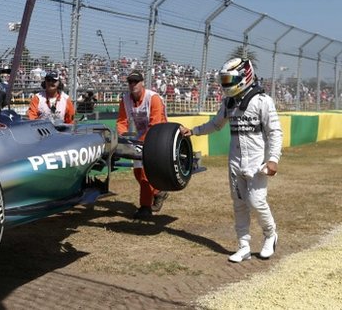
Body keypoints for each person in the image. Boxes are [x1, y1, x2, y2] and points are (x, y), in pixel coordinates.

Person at [179, 58, 282, 263]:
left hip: (257, 162)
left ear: (244, 77)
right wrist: (193, 131)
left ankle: (270, 234)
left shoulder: (263, 101)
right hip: (235, 160)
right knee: (239, 204)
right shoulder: (229, 102)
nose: (226, 84)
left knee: (256, 201)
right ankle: (243, 246)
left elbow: (275, 132)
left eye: (229, 79)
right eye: (224, 80)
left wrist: (273, 159)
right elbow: (216, 124)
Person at [116, 69, 168, 220]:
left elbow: (155, 124)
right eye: (130, 82)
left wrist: (139, 142)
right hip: (140, 137)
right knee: (138, 172)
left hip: (159, 136)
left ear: (142, 83)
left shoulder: (153, 98)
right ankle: (158, 192)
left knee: (145, 172)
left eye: (136, 81)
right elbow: (122, 122)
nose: (132, 84)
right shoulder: (125, 100)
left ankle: (145, 207)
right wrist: (123, 137)